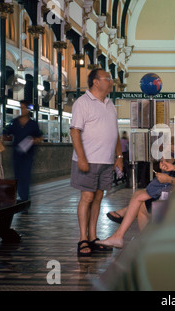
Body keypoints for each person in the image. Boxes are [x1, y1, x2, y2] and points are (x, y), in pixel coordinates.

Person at [97, 119, 175, 249]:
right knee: (141, 204)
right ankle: (141, 243)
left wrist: (168, 179)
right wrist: (172, 168)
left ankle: (124, 238)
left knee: (139, 198)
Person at [69, 68, 123, 257]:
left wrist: (119, 157)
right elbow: (74, 131)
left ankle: (93, 237)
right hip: (88, 160)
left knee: (98, 198)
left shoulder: (110, 104)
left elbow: (114, 132)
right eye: (107, 79)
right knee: (87, 198)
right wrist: (82, 158)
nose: (111, 82)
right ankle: (83, 238)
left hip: (106, 161)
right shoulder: (82, 103)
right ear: (96, 82)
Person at [2, 100, 43, 202]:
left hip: (28, 155)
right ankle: (21, 196)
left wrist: (34, 140)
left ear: (28, 109)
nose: (22, 110)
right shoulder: (15, 122)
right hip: (17, 154)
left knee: (26, 175)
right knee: (18, 175)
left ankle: (24, 197)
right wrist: (4, 139)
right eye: (21, 108)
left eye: (24, 108)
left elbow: (40, 137)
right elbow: (6, 133)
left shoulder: (33, 124)